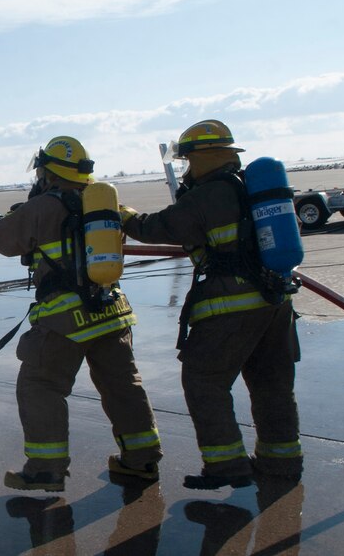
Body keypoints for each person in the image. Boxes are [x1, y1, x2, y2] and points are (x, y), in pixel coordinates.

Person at [120, 119, 303, 490]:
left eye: (188, 161)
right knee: (272, 384)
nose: (187, 169)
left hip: (231, 305)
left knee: (204, 380)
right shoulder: (250, 188)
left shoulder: (208, 194)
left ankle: (227, 465)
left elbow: (157, 228)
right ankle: (282, 462)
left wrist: (122, 215)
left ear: (204, 158)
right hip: (275, 303)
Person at [0, 136, 163, 493]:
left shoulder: (42, 207)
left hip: (65, 319)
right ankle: (142, 461)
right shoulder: (102, 200)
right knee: (123, 387)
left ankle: (45, 469)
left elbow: (2, 241)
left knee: (40, 386)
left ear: (47, 172)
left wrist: (7, 218)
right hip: (111, 312)